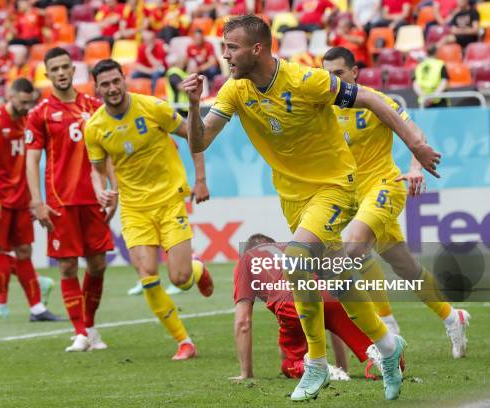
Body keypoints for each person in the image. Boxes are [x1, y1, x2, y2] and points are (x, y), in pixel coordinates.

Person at [182, 15, 440, 401]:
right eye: (224, 47)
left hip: (334, 185)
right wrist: (192, 103)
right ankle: (387, 346)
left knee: (297, 259)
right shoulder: (234, 91)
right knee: (337, 279)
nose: (225, 55)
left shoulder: (306, 80)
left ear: (257, 49)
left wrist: (416, 146)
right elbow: (200, 142)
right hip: (293, 196)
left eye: (231, 47)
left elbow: (369, 98)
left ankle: (316, 364)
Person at [322, 46, 469, 357]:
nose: (332, 80)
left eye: (338, 74)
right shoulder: (325, 107)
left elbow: (415, 133)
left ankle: (387, 324)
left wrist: (415, 169)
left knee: (354, 246)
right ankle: (451, 316)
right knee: (407, 268)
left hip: (386, 185)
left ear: (354, 73)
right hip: (354, 196)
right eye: (327, 75)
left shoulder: (376, 102)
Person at [85, 58, 214, 361]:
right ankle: (184, 342)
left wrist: (201, 180)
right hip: (133, 208)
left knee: (180, 278)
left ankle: (197, 269)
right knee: (146, 273)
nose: (112, 88)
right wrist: (100, 190)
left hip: (169, 199)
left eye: (116, 81)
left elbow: (194, 135)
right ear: (97, 89)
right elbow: (97, 169)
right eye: (105, 84)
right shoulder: (95, 128)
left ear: (124, 79)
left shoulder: (152, 106)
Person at [25, 47, 115, 353]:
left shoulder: (93, 106)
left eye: (66, 67)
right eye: (55, 69)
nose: (61, 73)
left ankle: (88, 326)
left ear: (72, 69)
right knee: (66, 269)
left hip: (93, 200)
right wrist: (36, 201)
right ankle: (80, 332)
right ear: (47, 74)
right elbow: (32, 159)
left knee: (99, 265)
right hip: (60, 202)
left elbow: (108, 153)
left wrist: (113, 190)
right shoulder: (39, 114)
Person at [233, 234, 385, 382]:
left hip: (292, 301)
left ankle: (321, 370)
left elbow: (243, 322)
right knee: (375, 344)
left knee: (289, 363)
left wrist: (246, 373)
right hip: (330, 292)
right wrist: (343, 366)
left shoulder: (247, 258)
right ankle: (392, 362)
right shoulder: (292, 247)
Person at [0, 79, 61, 325]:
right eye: (23, 102)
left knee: (24, 251)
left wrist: (35, 200)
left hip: (21, 199)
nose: (26, 107)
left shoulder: (30, 120)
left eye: (29, 102)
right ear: (10, 96)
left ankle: (36, 308)